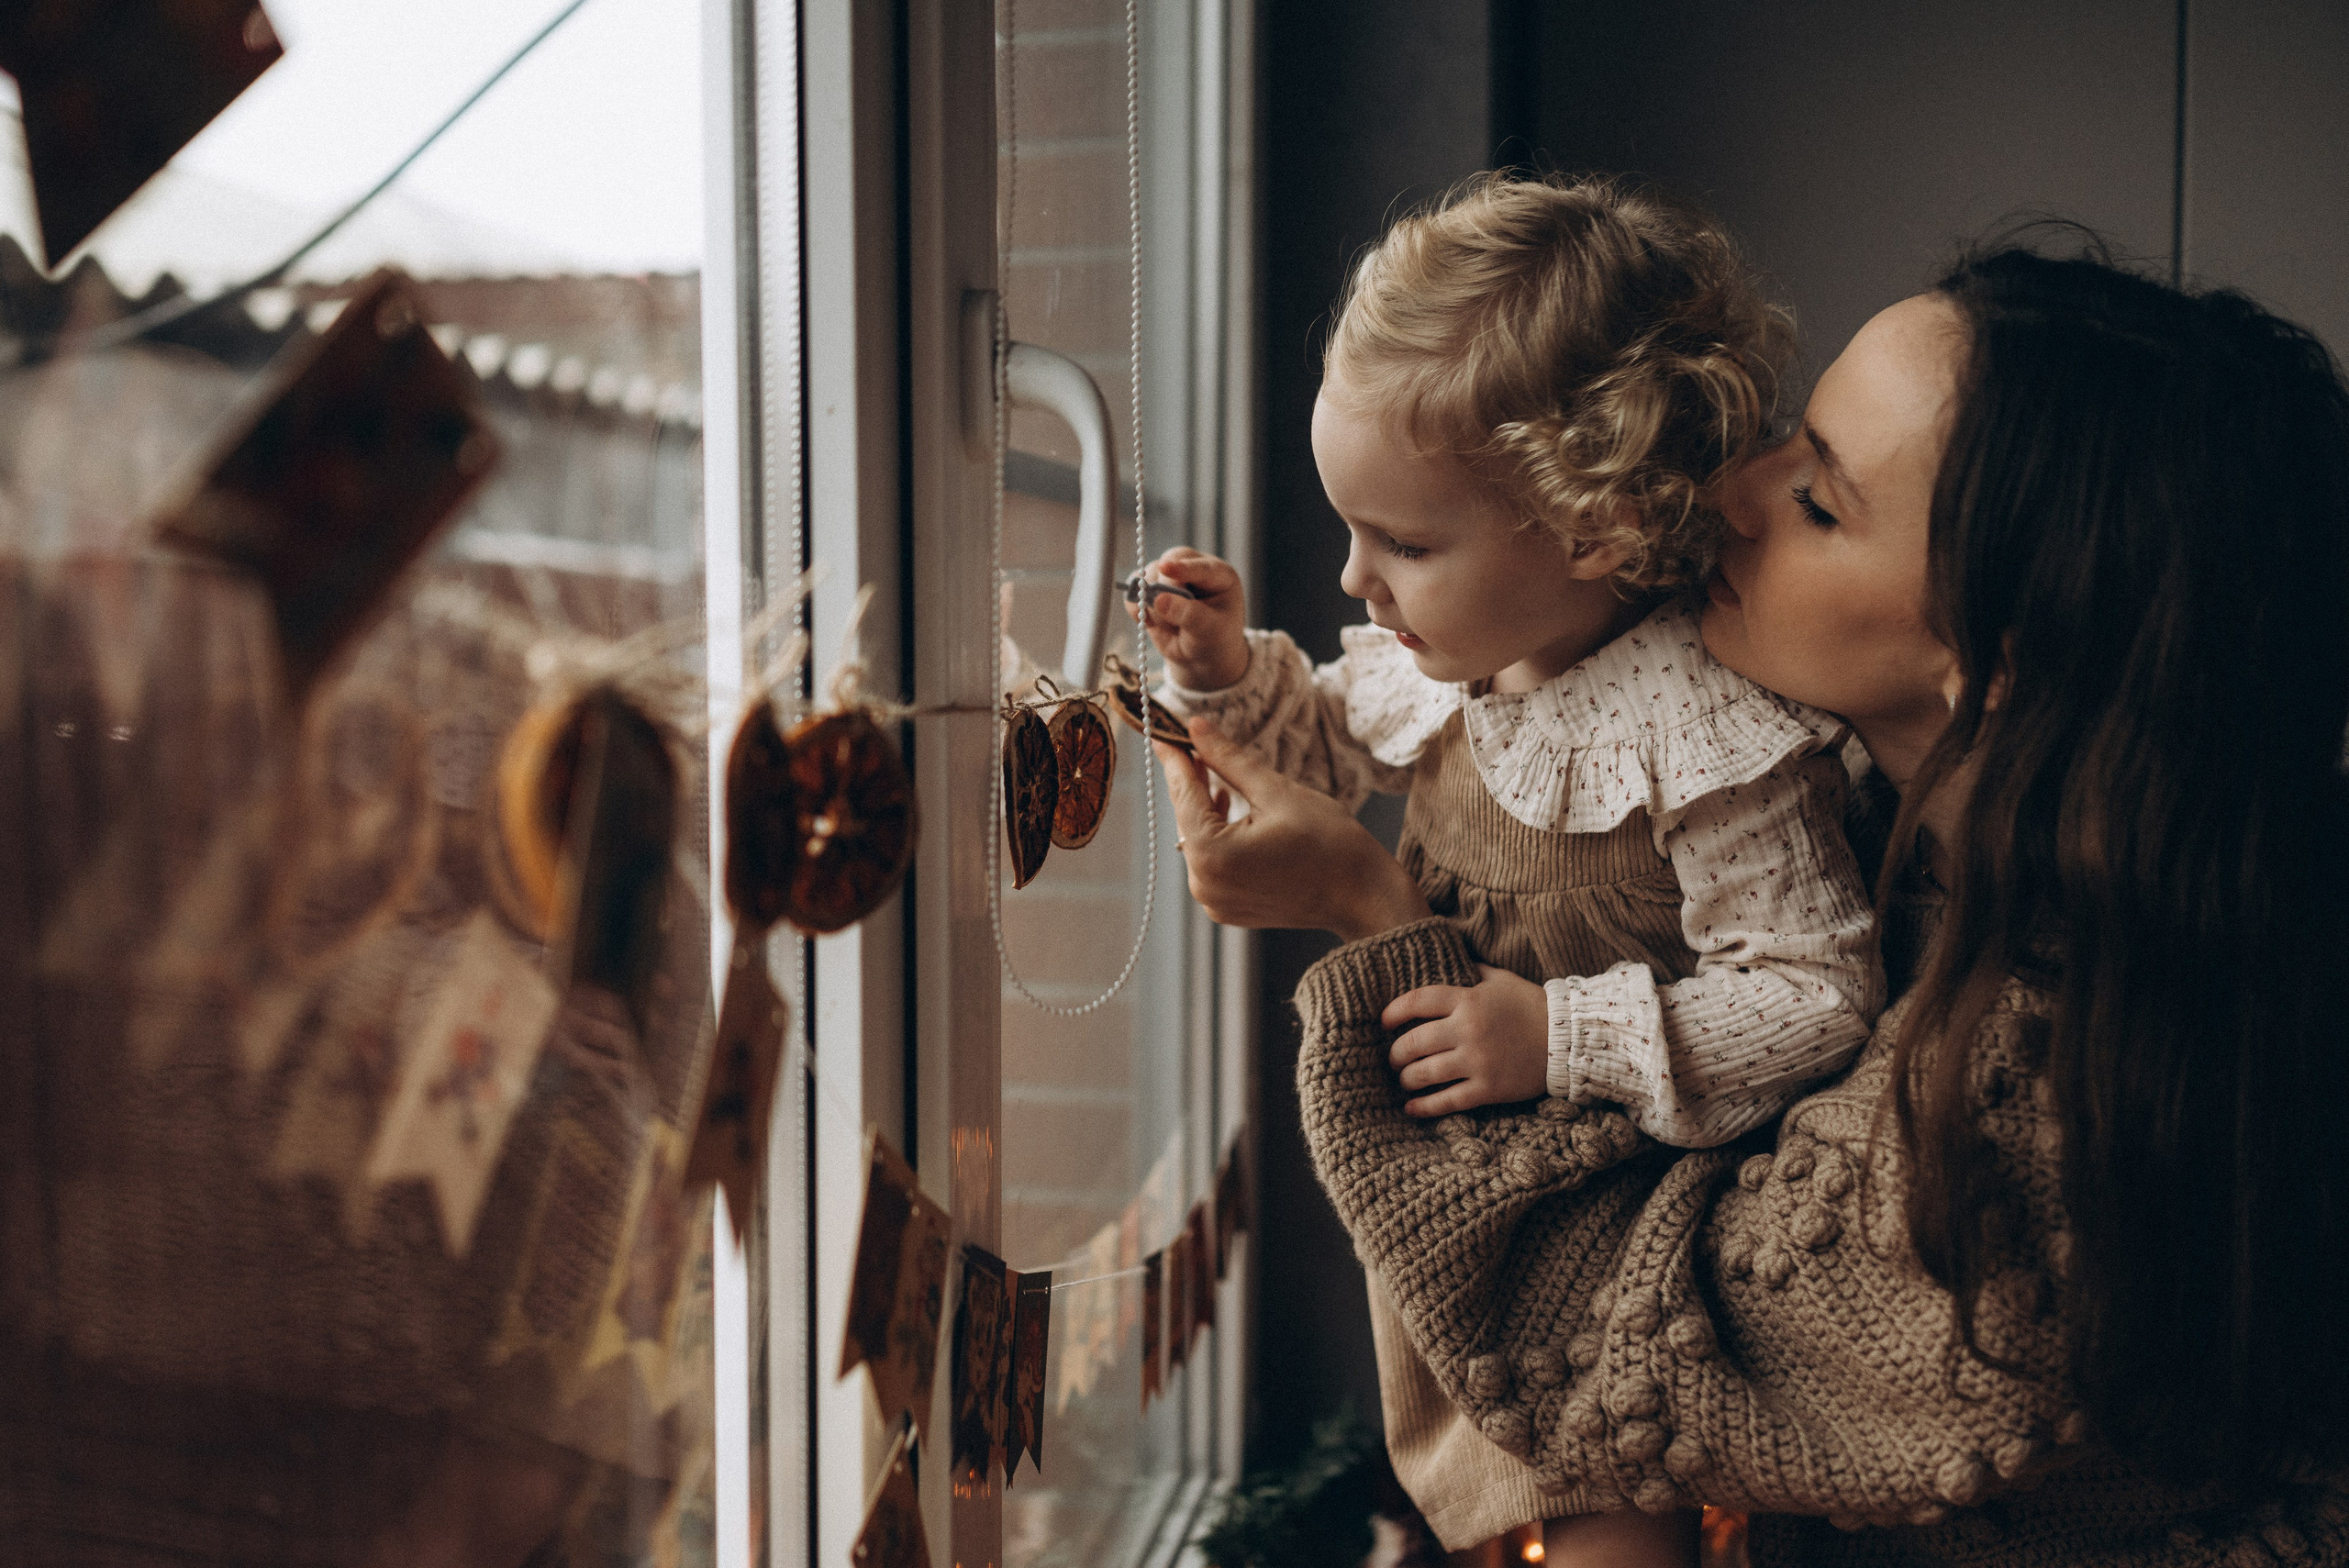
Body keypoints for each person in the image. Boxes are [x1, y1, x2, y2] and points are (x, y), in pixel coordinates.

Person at [1160, 238, 2349, 1563]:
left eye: (1823, 503)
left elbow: (1640, 1338)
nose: (1728, 490)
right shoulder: (1932, 834)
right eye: (1791, 439)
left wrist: (1370, 913)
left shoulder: (2051, 1105)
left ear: (1993, 667)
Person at [1134, 172, 1886, 1563]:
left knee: (1603, 1519)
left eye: (1403, 543)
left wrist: (1560, 1030)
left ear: (1593, 527)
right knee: (1471, 1477)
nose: (1355, 580)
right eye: (1352, 531)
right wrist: (1233, 679)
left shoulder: (1705, 729)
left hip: (1619, 1237)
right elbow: (1336, 743)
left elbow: (1814, 990)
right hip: (1466, 1203)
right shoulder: (1457, 663)